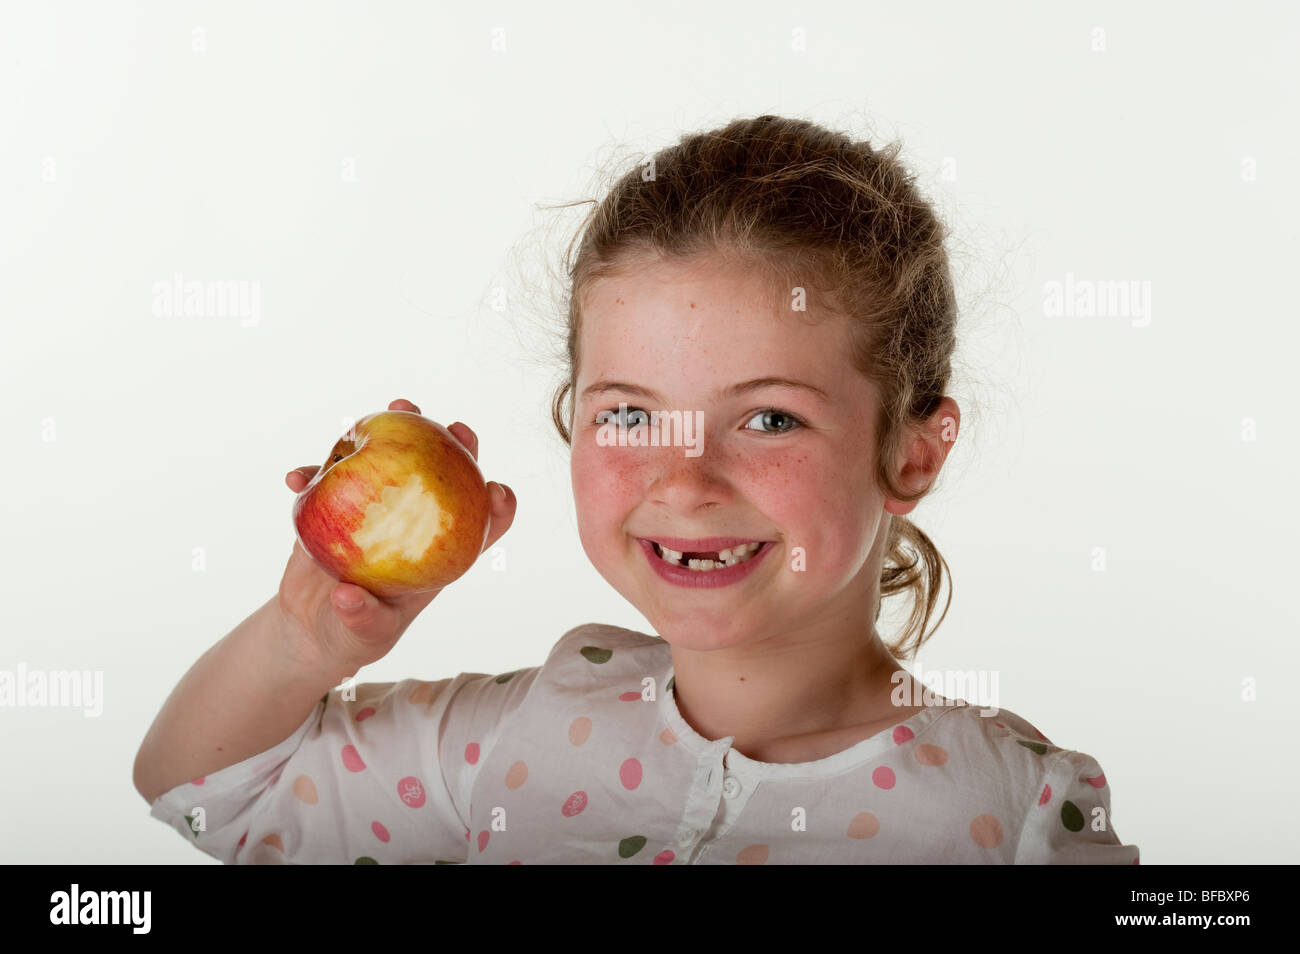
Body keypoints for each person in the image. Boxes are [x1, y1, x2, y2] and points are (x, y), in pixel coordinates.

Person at [134, 114, 1139, 864]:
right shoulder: (519, 736)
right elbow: (202, 793)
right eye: (630, 415)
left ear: (912, 454)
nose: (685, 479)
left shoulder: (1010, 813)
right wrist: (308, 639)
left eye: (770, 418)